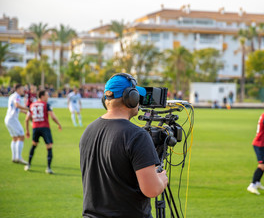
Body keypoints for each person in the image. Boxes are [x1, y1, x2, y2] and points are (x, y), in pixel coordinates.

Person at [79, 73, 168, 217]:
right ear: (130, 98)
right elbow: (151, 190)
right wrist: (162, 179)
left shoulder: (89, 130)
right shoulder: (137, 135)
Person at [24, 90, 62, 174]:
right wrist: (59, 124)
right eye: (46, 95)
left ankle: (28, 164)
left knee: (34, 145)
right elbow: (52, 117)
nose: (48, 97)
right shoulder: (46, 105)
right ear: (42, 96)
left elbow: (27, 119)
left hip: (35, 128)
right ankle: (48, 168)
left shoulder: (32, 105)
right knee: (49, 146)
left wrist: (27, 131)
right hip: (45, 127)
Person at [4, 84, 29, 164]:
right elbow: (17, 105)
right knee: (21, 136)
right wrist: (28, 108)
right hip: (13, 119)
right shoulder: (17, 96)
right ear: (18, 89)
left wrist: (23, 111)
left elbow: (13, 107)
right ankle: (19, 157)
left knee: (14, 138)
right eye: (22, 89)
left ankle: (14, 157)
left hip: (8, 118)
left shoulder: (12, 96)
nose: (23, 90)